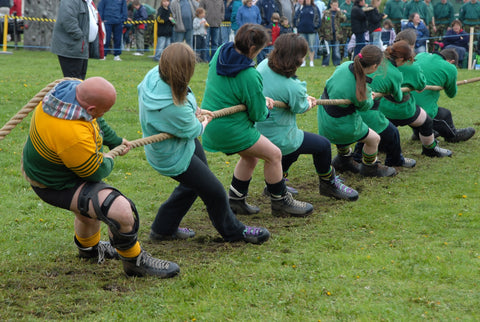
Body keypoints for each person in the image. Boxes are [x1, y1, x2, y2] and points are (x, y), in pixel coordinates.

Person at [22, 77, 179, 278]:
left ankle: (89, 249)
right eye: (104, 109)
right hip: (54, 184)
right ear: (91, 108)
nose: (105, 114)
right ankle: (135, 262)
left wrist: (114, 142)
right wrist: (107, 158)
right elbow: (94, 171)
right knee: (119, 210)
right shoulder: (72, 133)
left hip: (59, 168)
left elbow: (96, 118)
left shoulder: (70, 92)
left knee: (90, 208)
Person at [138, 43, 270, 245]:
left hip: (183, 143)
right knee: (214, 190)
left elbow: (184, 114)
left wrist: (194, 110)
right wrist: (203, 119)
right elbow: (194, 129)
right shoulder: (173, 107)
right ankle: (234, 232)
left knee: (195, 185)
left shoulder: (156, 74)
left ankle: (163, 229)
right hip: (171, 153)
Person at [201, 24, 314, 217]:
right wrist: (263, 105)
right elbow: (257, 115)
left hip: (211, 123)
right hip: (231, 128)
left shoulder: (221, 51)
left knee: (251, 155)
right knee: (274, 155)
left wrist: (259, 99)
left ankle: (236, 200)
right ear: (253, 49)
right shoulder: (249, 75)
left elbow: (231, 90)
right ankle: (281, 202)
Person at [256, 33, 359, 200]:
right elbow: (300, 107)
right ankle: (328, 184)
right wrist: (308, 102)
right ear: (296, 58)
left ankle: (276, 183)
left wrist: (302, 99)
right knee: (323, 145)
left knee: (295, 148)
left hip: (259, 129)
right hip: (277, 135)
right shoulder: (291, 87)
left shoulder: (263, 65)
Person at [317, 45, 397, 177]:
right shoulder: (362, 90)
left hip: (324, 119)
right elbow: (365, 106)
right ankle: (370, 168)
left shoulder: (344, 66)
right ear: (374, 67)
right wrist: (369, 98)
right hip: (339, 127)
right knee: (374, 139)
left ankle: (344, 159)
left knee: (343, 123)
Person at [379, 30, 452, 158]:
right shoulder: (411, 66)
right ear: (410, 47)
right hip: (404, 109)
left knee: (382, 128)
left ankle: (380, 147)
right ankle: (430, 149)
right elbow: (421, 86)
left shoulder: (381, 62)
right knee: (427, 121)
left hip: (383, 108)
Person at [352, 41, 417, 169]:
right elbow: (398, 97)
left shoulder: (377, 60)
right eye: (405, 61)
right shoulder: (396, 74)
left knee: (368, 131)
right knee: (393, 133)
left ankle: (356, 157)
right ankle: (395, 160)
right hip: (368, 106)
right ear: (401, 59)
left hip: (355, 104)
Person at [411, 48, 475, 142]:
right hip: (420, 111)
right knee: (445, 114)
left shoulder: (421, 55)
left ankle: (419, 133)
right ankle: (452, 136)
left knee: (419, 105)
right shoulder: (450, 68)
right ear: (451, 61)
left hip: (405, 104)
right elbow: (451, 94)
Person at [50, 0, 95, 80]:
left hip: (80, 47)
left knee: (79, 79)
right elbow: (68, 20)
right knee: (73, 80)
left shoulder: (84, 2)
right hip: (70, 47)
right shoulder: (70, 1)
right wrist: (80, 36)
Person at [319, 0, 347, 66]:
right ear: (331, 5)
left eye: (336, 5)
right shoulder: (326, 13)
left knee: (336, 51)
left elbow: (344, 19)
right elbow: (323, 24)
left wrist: (339, 12)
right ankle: (325, 63)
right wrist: (321, 34)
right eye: (334, 5)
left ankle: (337, 63)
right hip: (327, 35)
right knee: (327, 50)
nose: (335, 7)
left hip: (337, 35)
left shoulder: (339, 13)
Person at [294, 0, 320, 67]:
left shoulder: (315, 8)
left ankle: (311, 61)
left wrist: (315, 27)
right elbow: (296, 18)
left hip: (311, 31)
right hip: (302, 31)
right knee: (302, 47)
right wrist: (298, 26)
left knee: (311, 46)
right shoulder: (301, 7)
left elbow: (318, 18)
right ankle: (303, 61)